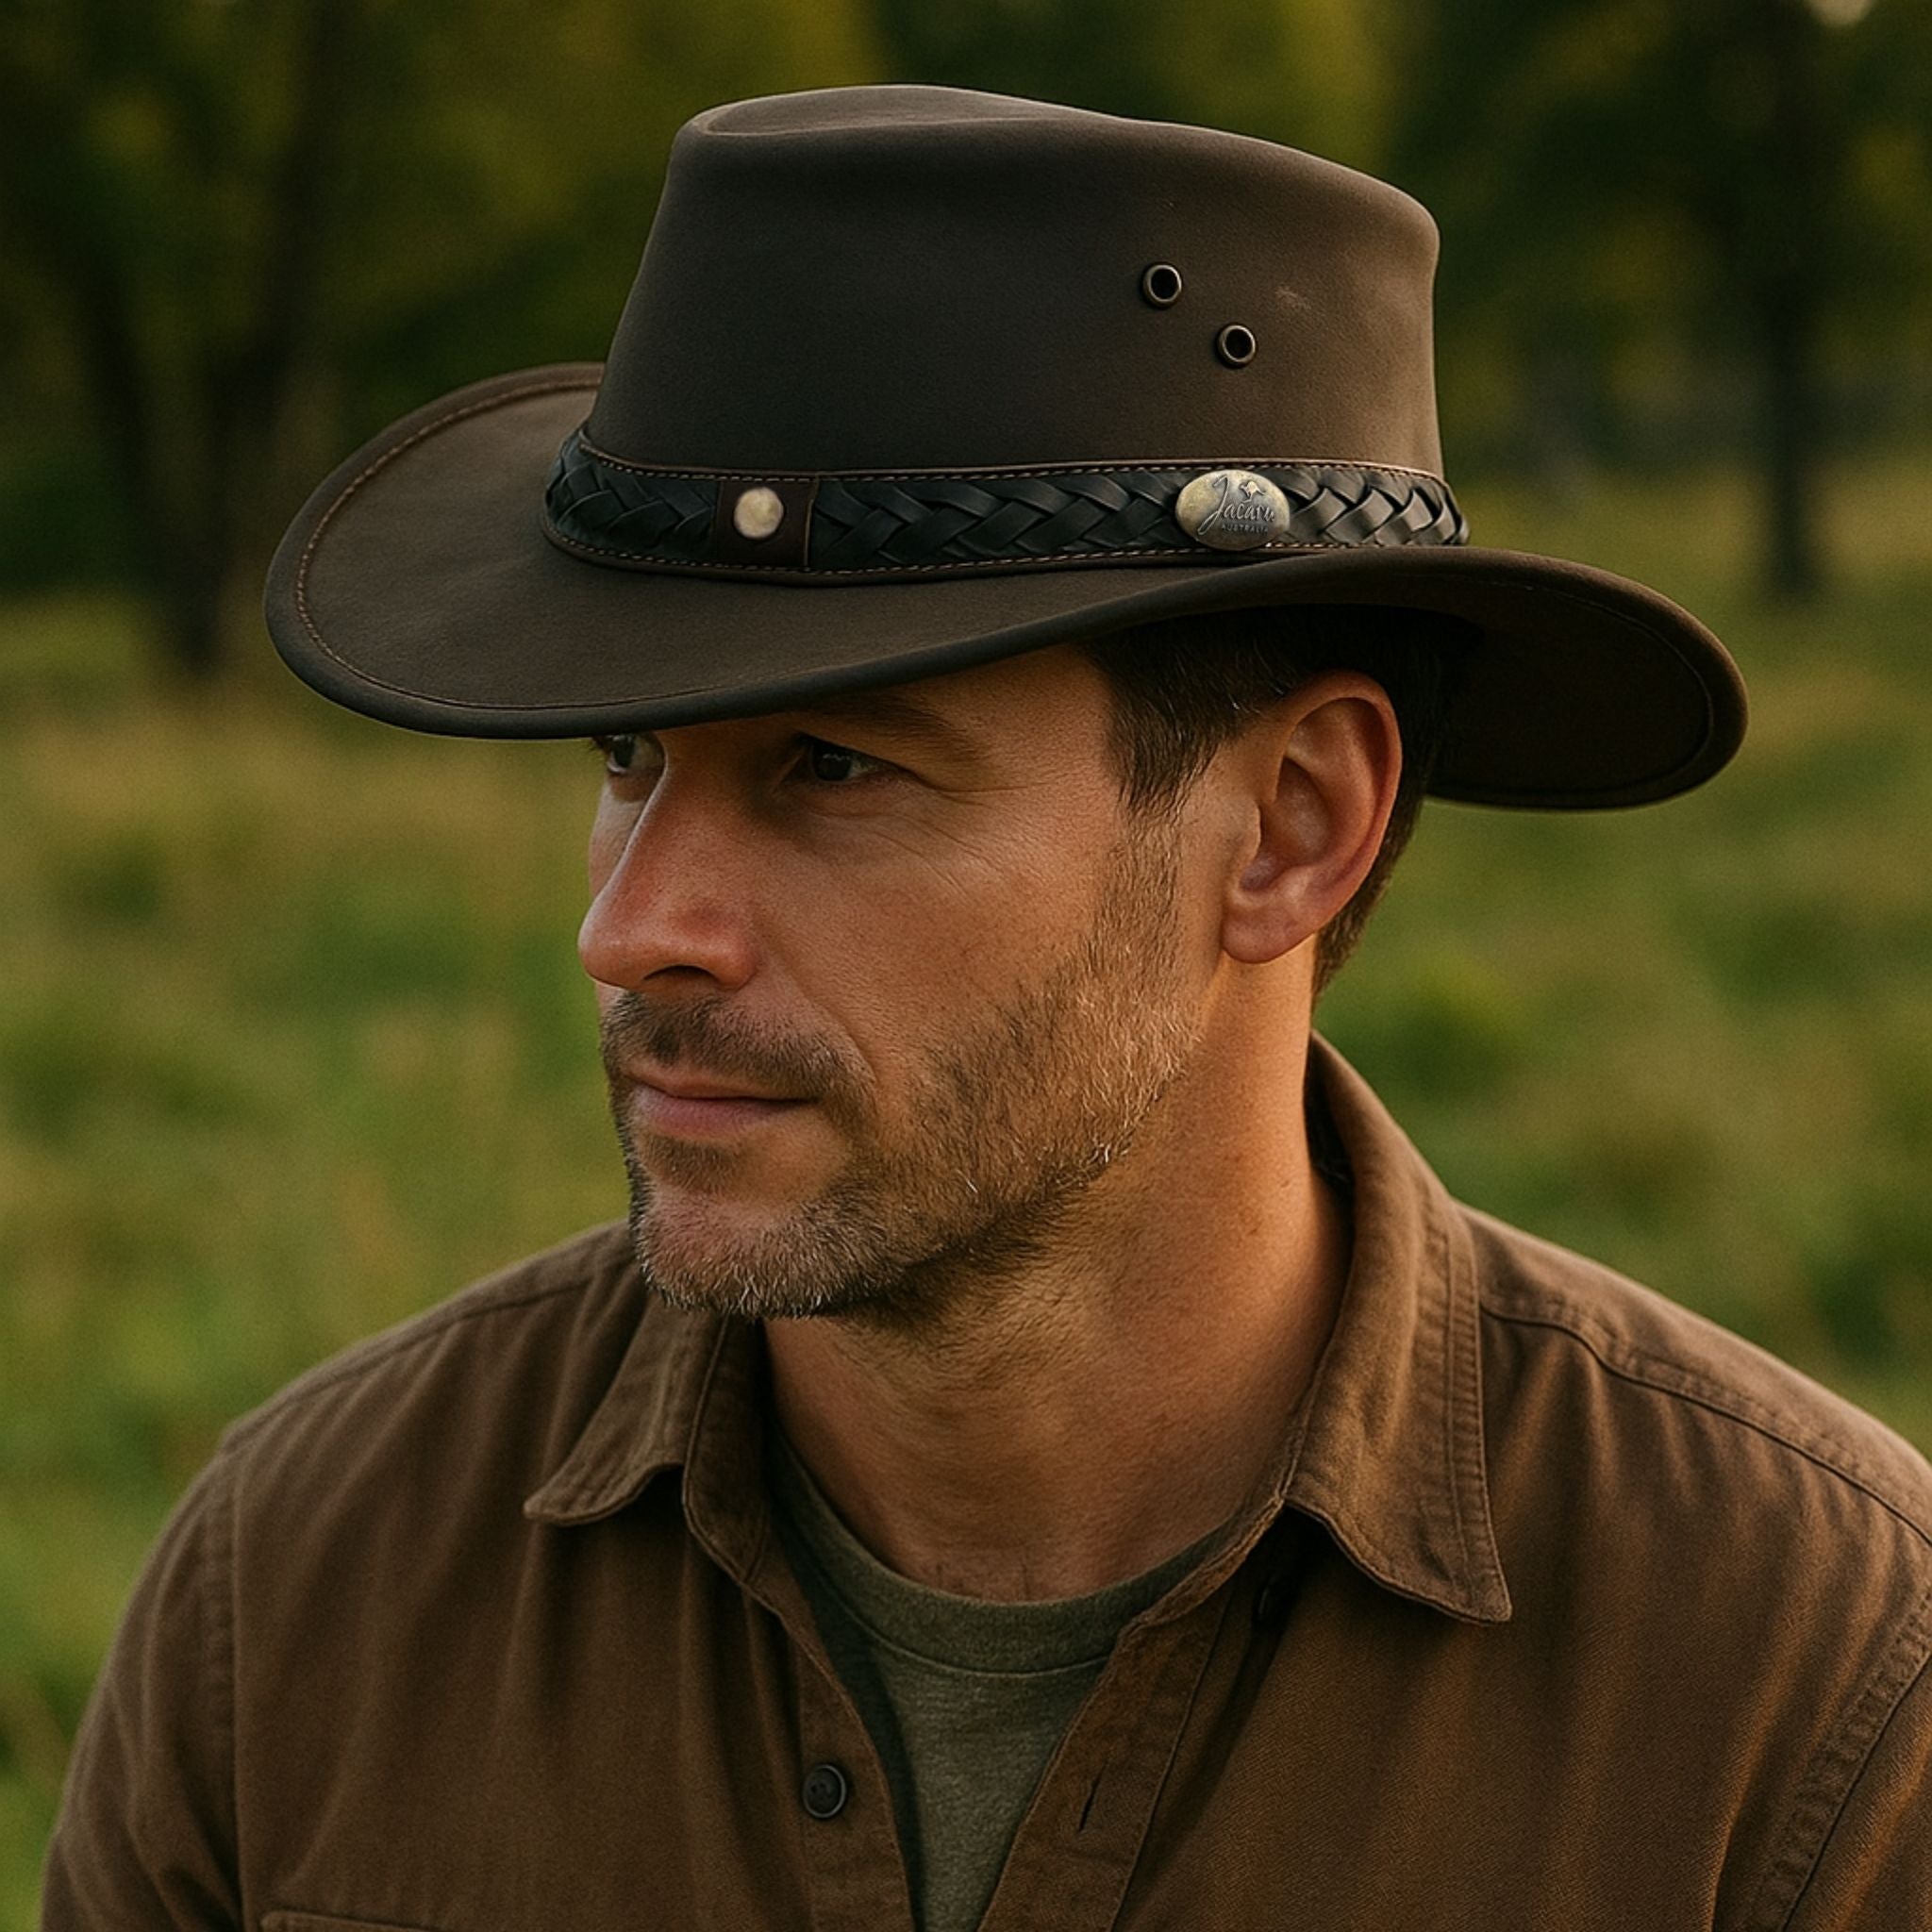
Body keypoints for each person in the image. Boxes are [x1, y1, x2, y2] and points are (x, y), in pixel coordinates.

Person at [44, 86, 1931, 1932]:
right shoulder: (300, 1604)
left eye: (836, 768)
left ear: (1290, 826)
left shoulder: (1803, 1701)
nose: (632, 929)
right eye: (626, 752)